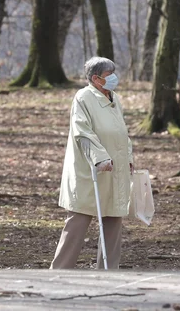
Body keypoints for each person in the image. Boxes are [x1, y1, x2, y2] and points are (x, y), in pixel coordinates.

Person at [50, 57, 134, 269]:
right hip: (90, 170)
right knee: (79, 219)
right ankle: (59, 271)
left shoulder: (114, 98)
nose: (114, 78)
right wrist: (100, 158)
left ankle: (109, 270)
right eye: (109, 75)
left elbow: (122, 132)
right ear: (96, 78)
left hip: (115, 169)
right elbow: (82, 132)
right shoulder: (84, 97)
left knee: (114, 219)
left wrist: (128, 158)